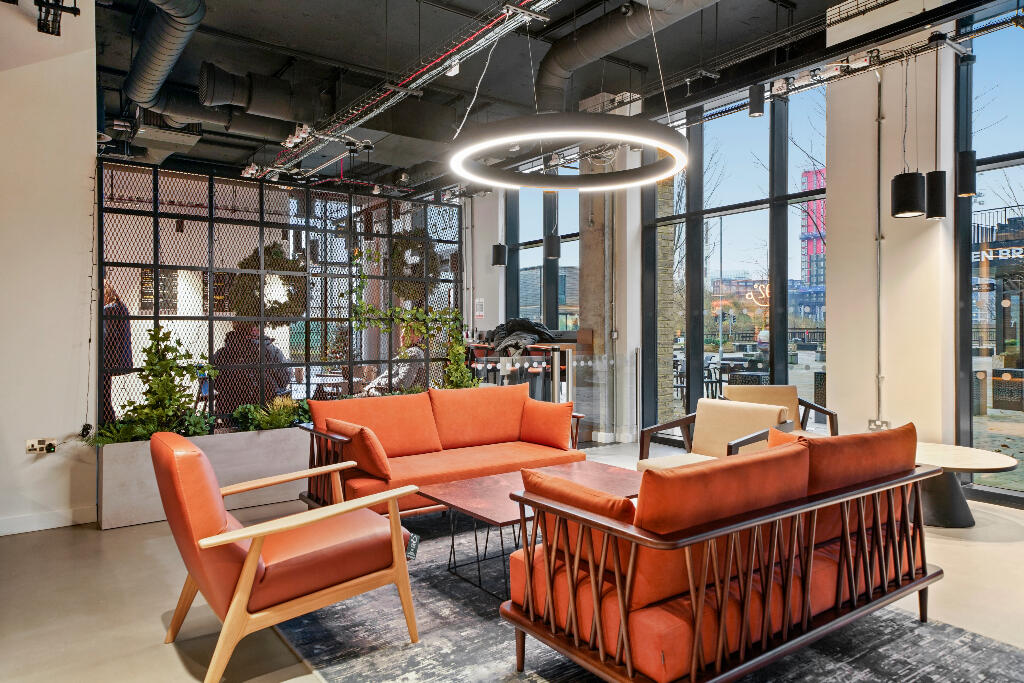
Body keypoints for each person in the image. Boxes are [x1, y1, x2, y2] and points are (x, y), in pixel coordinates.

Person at [212, 321, 291, 414]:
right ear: (256, 330)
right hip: (266, 409)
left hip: (230, 408)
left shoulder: (223, 353)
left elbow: (215, 383)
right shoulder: (272, 350)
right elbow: (284, 379)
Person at [359, 325, 428, 397]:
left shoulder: (413, 353)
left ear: (417, 337)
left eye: (407, 334)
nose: (402, 336)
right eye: (402, 333)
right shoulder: (412, 353)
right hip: (378, 392)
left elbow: (403, 382)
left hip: (385, 395)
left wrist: (376, 384)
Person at [101, 279, 132, 424]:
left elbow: (108, 335)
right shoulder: (121, 307)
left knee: (104, 395)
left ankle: (107, 423)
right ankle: (109, 422)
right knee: (106, 394)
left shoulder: (109, 309)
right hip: (117, 358)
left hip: (107, 359)